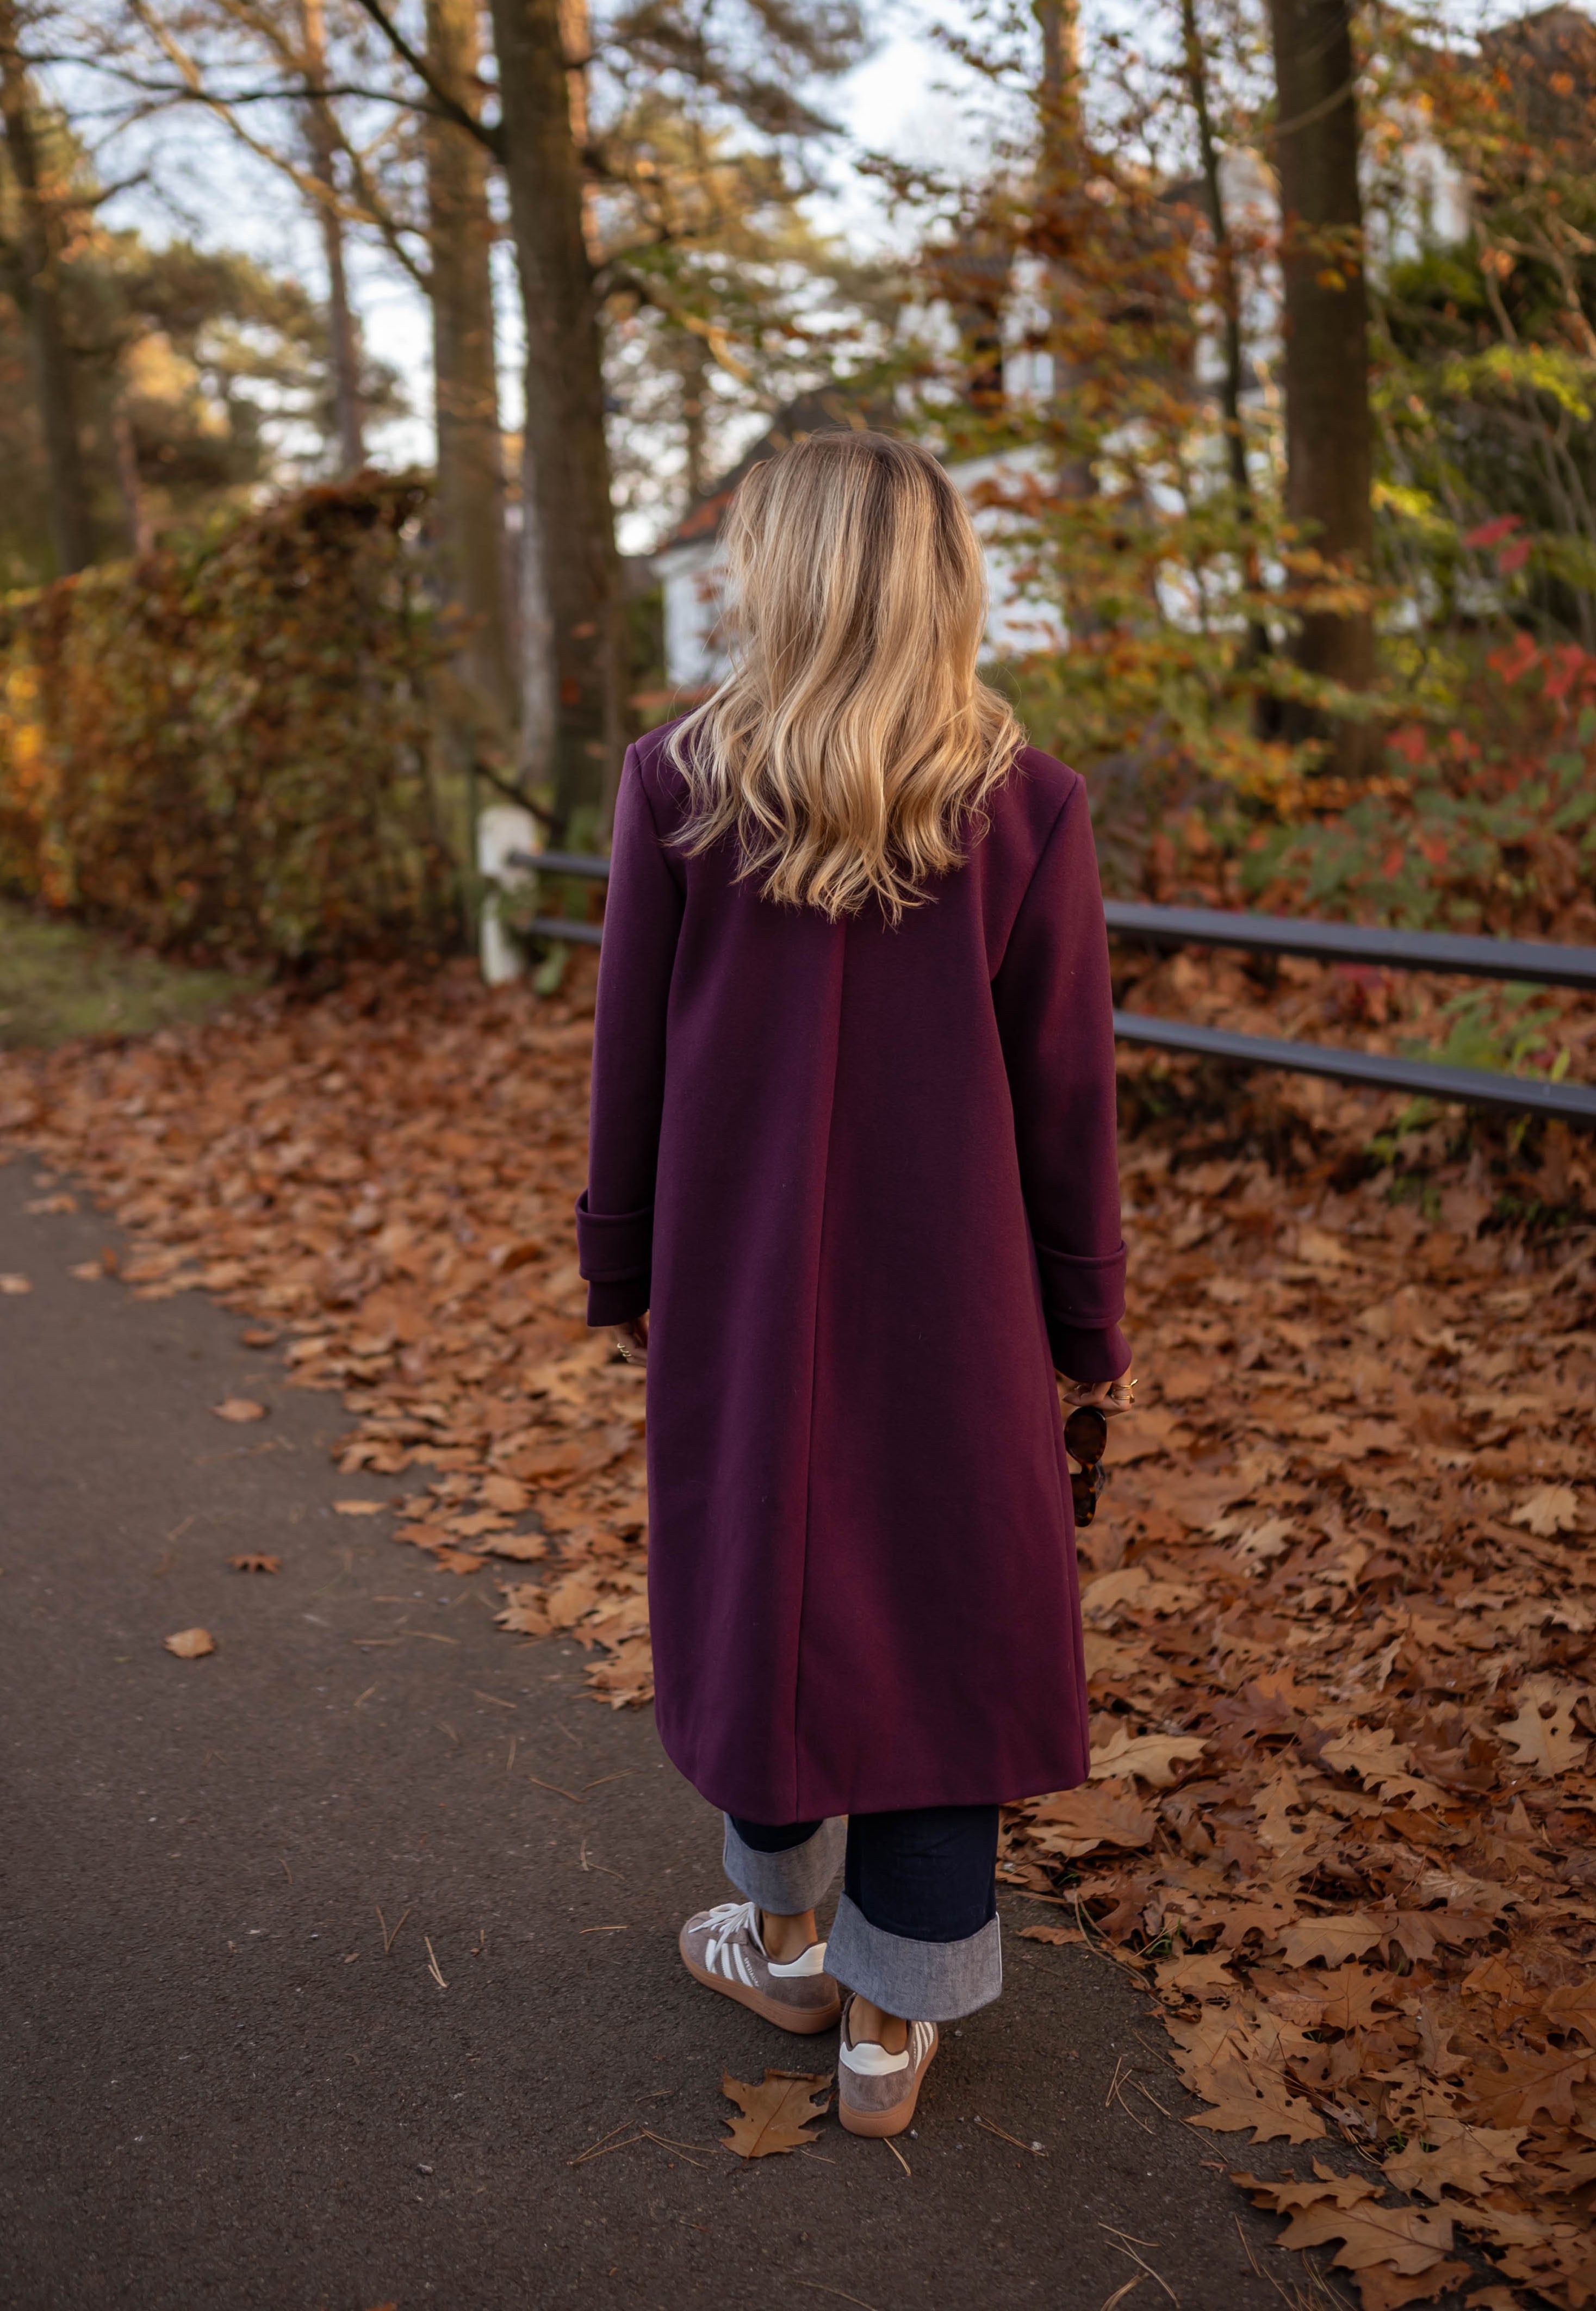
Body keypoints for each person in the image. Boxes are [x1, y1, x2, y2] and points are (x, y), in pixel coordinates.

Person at [575, 430, 1133, 2140]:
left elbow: (630, 1068)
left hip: (743, 1295)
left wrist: (626, 1260)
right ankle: (891, 2028)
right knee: (945, 1609)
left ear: (780, 577)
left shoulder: (679, 781)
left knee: (766, 1579)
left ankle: (789, 1929)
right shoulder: (1021, 805)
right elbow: (1067, 1097)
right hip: (955, 1310)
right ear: (940, 580)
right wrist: (1084, 1318)